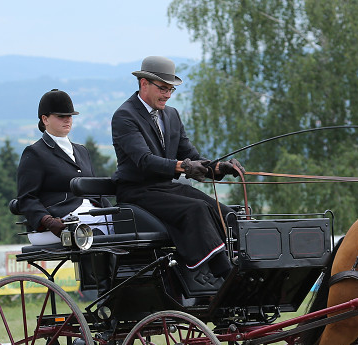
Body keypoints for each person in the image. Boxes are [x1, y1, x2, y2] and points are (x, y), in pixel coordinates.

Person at [111, 56, 244, 277]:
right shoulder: (125, 116)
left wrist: (221, 168)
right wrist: (184, 167)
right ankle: (221, 273)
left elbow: (191, 156)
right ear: (144, 83)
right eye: (163, 89)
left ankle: (242, 263)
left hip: (167, 189)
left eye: (171, 90)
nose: (168, 95)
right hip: (137, 191)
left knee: (228, 214)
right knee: (197, 209)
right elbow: (144, 161)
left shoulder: (171, 115)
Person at [17, 89, 110, 245]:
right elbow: (26, 198)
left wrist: (114, 212)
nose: (67, 120)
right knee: (97, 232)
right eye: (61, 116)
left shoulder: (82, 151)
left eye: (70, 116)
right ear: (45, 119)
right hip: (56, 222)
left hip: (89, 213)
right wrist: (47, 220)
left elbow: (95, 190)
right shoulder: (35, 153)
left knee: (128, 223)